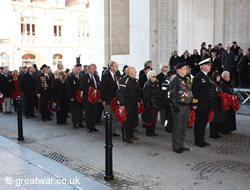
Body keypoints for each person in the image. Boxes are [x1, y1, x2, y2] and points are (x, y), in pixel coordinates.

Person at [169, 63, 192, 153]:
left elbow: (189, 91)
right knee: (177, 127)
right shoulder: (175, 80)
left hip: (186, 106)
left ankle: (181, 144)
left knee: (183, 127)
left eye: (186, 68)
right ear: (178, 70)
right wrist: (175, 106)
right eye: (183, 69)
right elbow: (172, 94)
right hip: (178, 106)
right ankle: (176, 146)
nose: (185, 70)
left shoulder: (186, 79)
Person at [116, 67, 141, 143]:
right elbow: (120, 93)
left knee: (134, 120)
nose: (136, 72)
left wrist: (138, 101)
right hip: (127, 104)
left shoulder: (135, 80)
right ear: (129, 73)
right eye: (134, 71)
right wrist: (122, 104)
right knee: (127, 120)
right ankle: (126, 136)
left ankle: (131, 134)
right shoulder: (123, 80)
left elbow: (137, 92)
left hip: (134, 103)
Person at [192, 58, 212, 148]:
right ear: (203, 67)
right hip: (200, 105)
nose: (210, 67)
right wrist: (195, 104)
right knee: (199, 123)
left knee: (204, 123)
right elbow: (195, 92)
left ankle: (202, 139)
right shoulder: (198, 77)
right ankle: (198, 141)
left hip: (206, 104)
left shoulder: (207, 77)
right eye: (208, 65)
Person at [80, 64, 101, 133]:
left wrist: (99, 96)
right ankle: (89, 127)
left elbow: (99, 86)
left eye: (94, 68)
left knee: (94, 112)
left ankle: (93, 126)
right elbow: (81, 87)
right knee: (88, 112)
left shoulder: (96, 77)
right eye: (91, 68)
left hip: (95, 98)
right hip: (88, 98)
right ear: (88, 69)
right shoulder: (84, 77)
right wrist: (88, 89)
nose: (93, 69)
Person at [101, 61, 120, 136]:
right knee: (108, 116)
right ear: (111, 67)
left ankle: (113, 131)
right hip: (108, 99)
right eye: (115, 66)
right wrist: (103, 99)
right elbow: (103, 88)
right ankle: (108, 131)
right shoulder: (106, 75)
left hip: (115, 100)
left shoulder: (116, 75)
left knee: (114, 116)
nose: (117, 67)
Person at [143, 70, 161, 136]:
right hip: (150, 103)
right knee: (149, 118)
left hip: (156, 103)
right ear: (150, 77)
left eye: (155, 76)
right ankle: (149, 131)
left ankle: (153, 131)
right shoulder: (147, 84)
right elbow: (146, 96)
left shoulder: (156, 83)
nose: (155, 78)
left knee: (154, 118)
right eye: (153, 76)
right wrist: (147, 106)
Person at [209, 72, 225, 139]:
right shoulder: (212, 84)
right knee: (214, 120)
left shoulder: (219, 84)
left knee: (218, 119)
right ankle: (213, 133)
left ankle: (217, 132)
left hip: (219, 104)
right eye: (218, 77)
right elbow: (212, 95)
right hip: (214, 104)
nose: (219, 78)